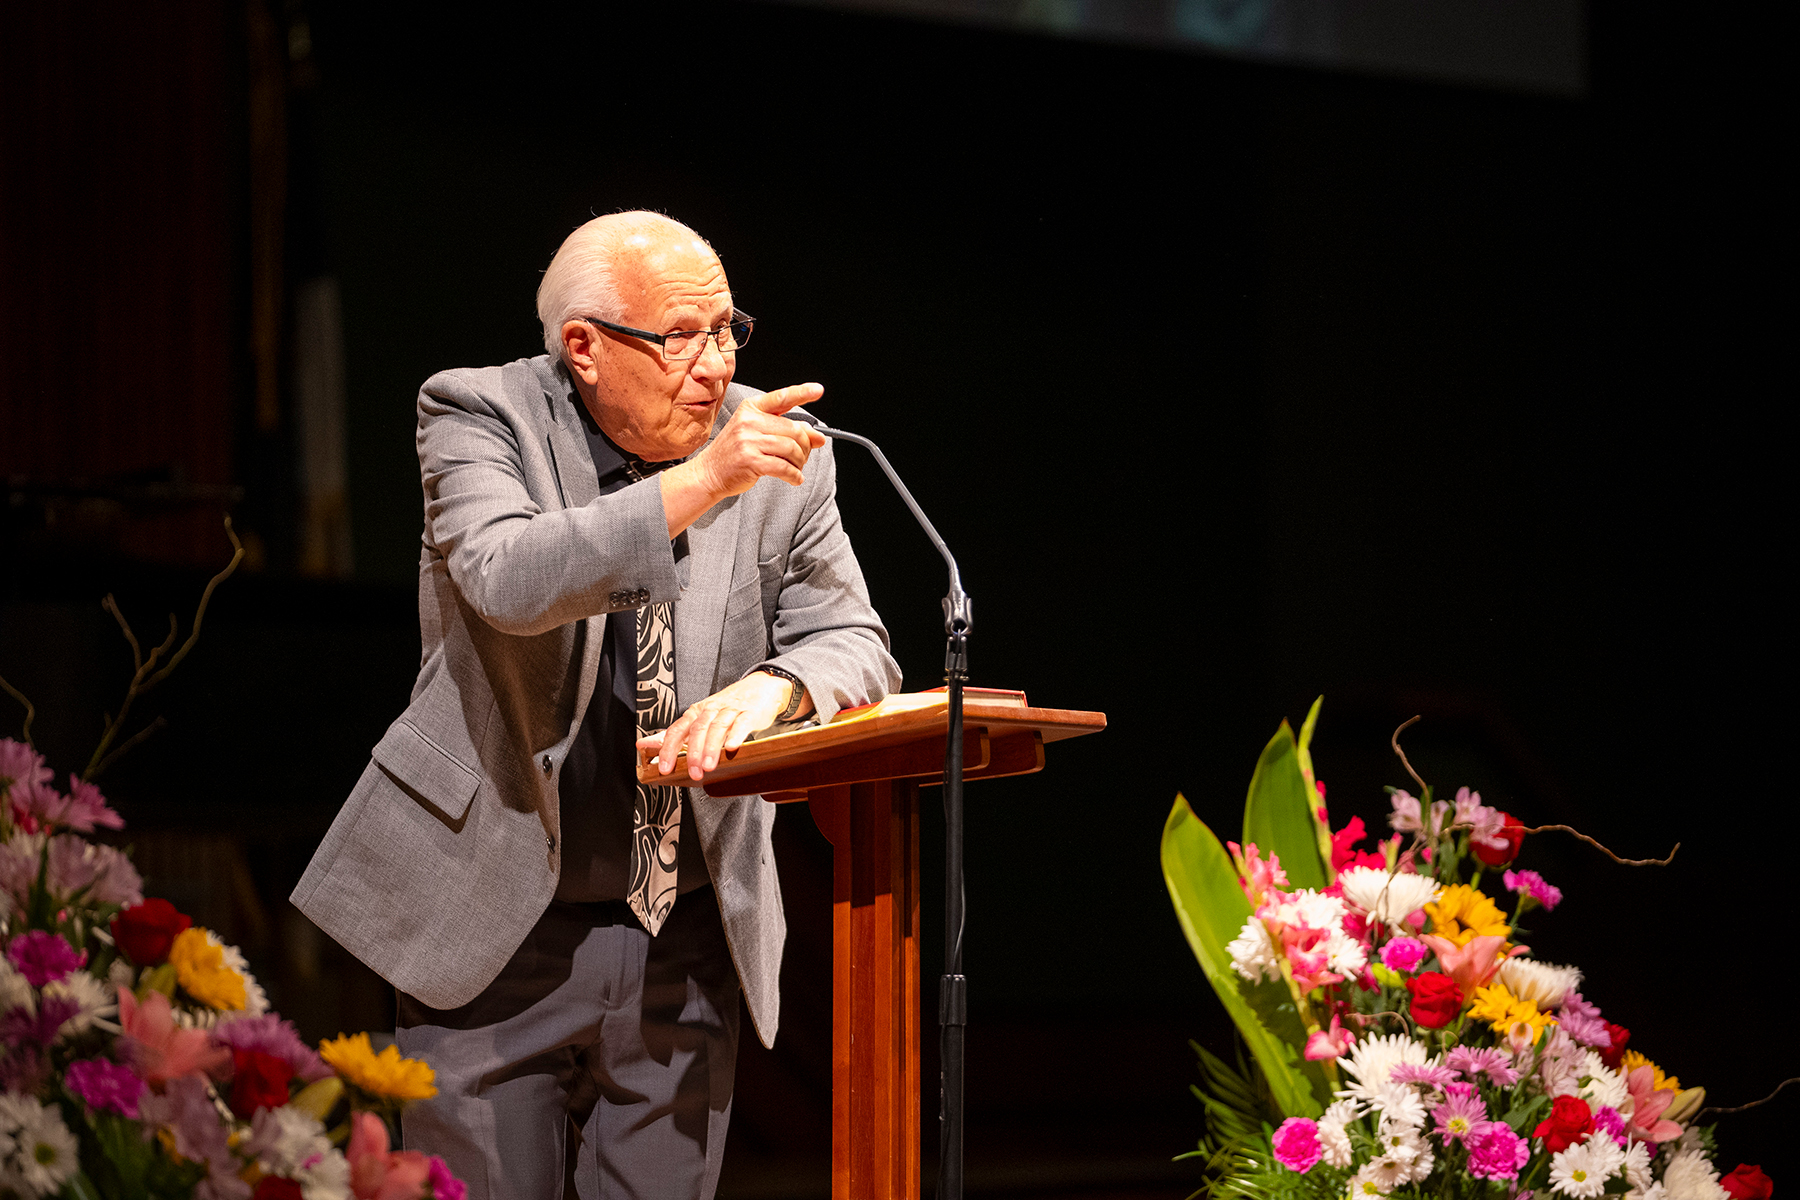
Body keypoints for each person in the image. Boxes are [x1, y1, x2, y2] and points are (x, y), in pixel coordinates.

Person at [292, 211, 901, 1198]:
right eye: (680, 338)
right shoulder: (478, 415)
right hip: (493, 918)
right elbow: (508, 578)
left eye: (727, 329)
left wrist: (772, 688)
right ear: (584, 347)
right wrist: (703, 482)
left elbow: (853, 640)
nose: (713, 366)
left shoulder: (778, 447)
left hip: (686, 928)